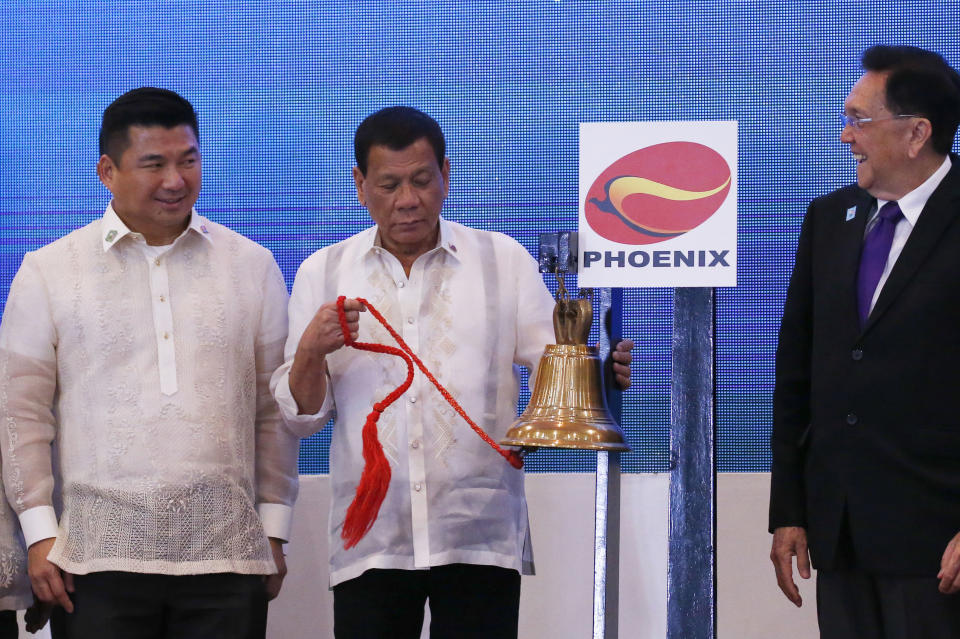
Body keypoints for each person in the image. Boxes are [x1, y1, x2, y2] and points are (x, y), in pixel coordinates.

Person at [271, 105, 633, 638]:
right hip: (372, 537)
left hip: (478, 530)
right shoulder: (322, 272)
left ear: (447, 173)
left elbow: (553, 363)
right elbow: (302, 419)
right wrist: (308, 352)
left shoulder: (502, 260)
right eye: (389, 184)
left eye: (422, 179)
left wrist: (596, 370)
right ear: (360, 185)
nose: (408, 200)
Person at [0, 87, 300, 639]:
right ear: (107, 171)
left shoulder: (252, 266)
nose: (175, 180)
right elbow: (21, 414)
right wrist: (40, 534)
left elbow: (273, 410)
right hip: (92, 557)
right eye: (154, 164)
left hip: (227, 554)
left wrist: (274, 529)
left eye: (189, 160)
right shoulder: (48, 271)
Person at [769, 45, 960, 637]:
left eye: (859, 119)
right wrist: (791, 511)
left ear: (916, 133)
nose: (846, 136)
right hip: (842, 535)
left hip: (938, 540)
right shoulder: (828, 219)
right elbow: (798, 369)